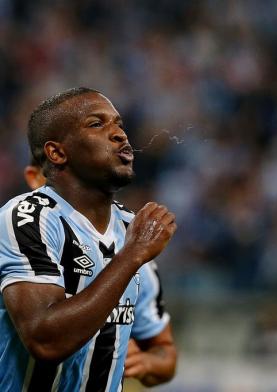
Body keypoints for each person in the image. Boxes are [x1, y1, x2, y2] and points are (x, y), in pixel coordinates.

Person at [0, 87, 177, 391]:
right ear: (57, 152)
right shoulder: (27, 217)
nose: (120, 134)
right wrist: (131, 255)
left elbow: (163, 350)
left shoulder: (132, 229)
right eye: (97, 124)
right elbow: (45, 340)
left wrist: (147, 363)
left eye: (118, 123)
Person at [23, 157, 177, 387]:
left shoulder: (134, 252)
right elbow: (46, 342)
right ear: (34, 178)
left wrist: (146, 362)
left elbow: (166, 354)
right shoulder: (15, 242)